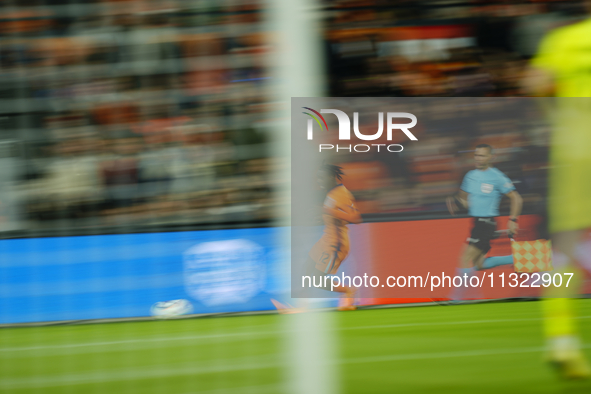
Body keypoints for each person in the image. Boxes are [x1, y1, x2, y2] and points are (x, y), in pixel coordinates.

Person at [522, 6, 591, 378]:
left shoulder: (563, 39)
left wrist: (556, 119)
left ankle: (560, 340)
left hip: (573, 149)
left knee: (564, 244)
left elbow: (535, 83)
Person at [272, 163, 361, 312]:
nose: (319, 181)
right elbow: (333, 213)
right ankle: (301, 306)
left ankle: (348, 291)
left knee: (317, 279)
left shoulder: (342, 194)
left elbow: (355, 217)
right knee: (307, 269)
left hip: (336, 243)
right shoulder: (331, 193)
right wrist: (323, 216)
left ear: (331, 177)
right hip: (326, 238)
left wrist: (326, 210)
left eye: (322, 177)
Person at [446, 144, 523, 299]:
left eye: (482, 155)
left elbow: (516, 198)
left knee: (464, 257)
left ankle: (457, 298)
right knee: (479, 264)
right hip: (476, 222)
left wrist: (513, 220)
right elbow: (465, 200)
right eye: (476, 155)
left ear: (490, 157)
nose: (478, 158)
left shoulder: (497, 176)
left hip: (486, 222)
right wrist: (456, 201)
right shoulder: (470, 176)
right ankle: (515, 258)